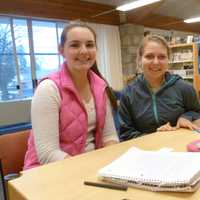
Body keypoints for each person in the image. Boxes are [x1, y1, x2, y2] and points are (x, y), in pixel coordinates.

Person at [23, 23, 119, 169]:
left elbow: (109, 137)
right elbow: (48, 154)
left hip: (92, 166)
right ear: (61, 50)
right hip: (49, 171)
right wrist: (87, 168)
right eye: (75, 45)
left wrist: (110, 164)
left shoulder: (100, 86)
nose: (84, 51)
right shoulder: (48, 89)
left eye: (90, 45)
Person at [119, 34, 200, 141]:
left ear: (168, 60)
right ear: (139, 59)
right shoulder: (128, 93)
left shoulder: (184, 88)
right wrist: (156, 137)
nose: (156, 62)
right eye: (149, 56)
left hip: (178, 146)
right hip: (144, 151)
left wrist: (185, 117)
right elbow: (126, 134)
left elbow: (196, 111)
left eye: (161, 57)